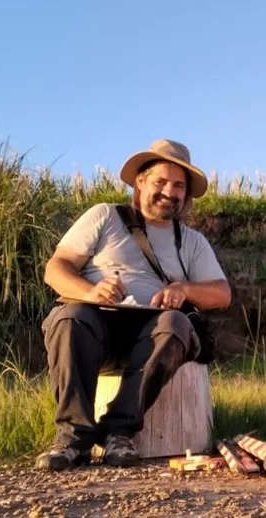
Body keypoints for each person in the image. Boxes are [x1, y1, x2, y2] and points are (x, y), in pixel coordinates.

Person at [36, 139, 231, 471]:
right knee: (70, 317)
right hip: (96, 324)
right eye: (161, 182)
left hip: (152, 334)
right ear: (140, 182)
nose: (170, 192)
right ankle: (72, 438)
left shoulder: (193, 242)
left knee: (176, 323)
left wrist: (182, 289)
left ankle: (119, 432)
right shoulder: (104, 216)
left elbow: (222, 294)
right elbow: (56, 269)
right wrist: (90, 291)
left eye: (179, 186)